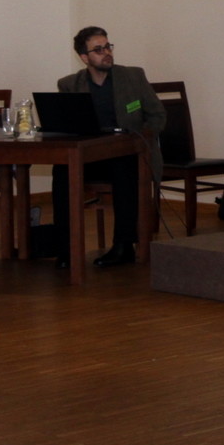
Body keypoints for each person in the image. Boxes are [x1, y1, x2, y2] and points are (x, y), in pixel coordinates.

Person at [52, 26, 164, 268]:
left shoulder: (133, 77)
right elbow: (67, 126)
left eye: (108, 47)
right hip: (90, 156)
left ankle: (124, 246)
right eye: (99, 50)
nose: (107, 53)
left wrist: (139, 138)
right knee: (62, 170)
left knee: (125, 166)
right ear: (84, 57)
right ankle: (67, 249)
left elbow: (158, 116)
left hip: (128, 153)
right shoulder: (69, 84)